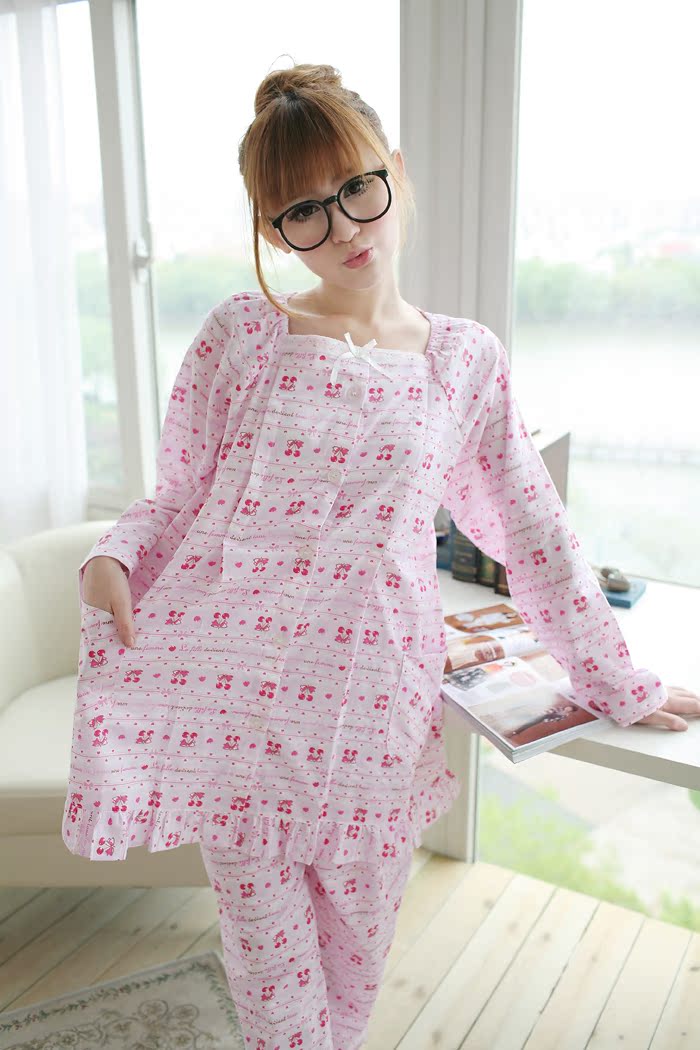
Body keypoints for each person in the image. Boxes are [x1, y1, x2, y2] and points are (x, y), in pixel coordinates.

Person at [62, 62, 700, 1050]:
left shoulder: (463, 360)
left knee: (351, 981)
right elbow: (178, 495)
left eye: (357, 187)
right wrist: (115, 556)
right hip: (239, 717)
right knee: (276, 998)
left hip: (373, 719)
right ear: (274, 230)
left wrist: (615, 680)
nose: (344, 227)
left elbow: (532, 533)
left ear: (395, 171)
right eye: (304, 211)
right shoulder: (242, 336)